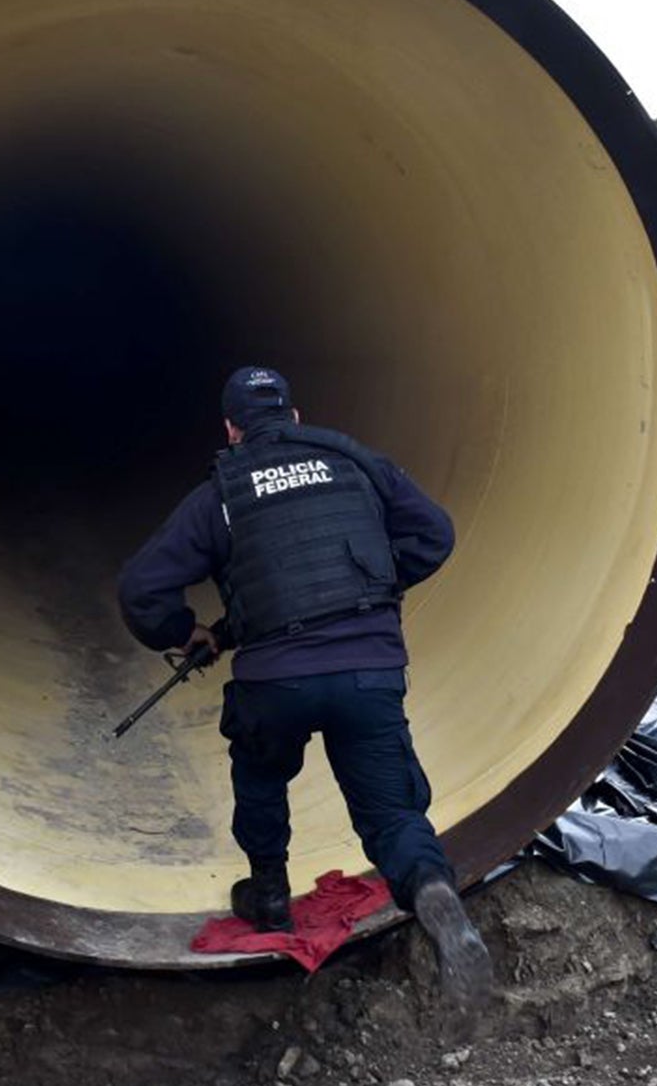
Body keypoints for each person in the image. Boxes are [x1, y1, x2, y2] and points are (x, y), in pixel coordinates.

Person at [116, 365, 494, 1010]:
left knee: (262, 778)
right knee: (393, 811)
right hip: (368, 673)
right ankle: (433, 892)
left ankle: (268, 896)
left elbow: (141, 589)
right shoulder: (357, 464)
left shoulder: (222, 495)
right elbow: (435, 535)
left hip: (275, 681)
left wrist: (188, 633)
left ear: (232, 429)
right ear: (294, 417)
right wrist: (371, 588)